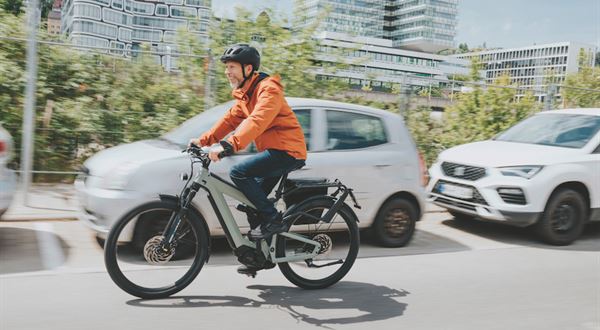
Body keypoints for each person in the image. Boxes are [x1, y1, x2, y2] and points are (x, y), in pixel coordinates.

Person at [190, 43, 307, 241]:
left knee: (239, 173)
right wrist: (202, 141)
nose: (227, 72)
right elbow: (228, 121)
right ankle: (259, 255)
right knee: (252, 205)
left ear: (248, 68)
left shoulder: (268, 89)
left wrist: (229, 145)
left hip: (288, 151)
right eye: (226, 67)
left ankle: (274, 219)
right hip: (273, 151)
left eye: (232, 67)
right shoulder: (246, 94)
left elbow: (258, 120)